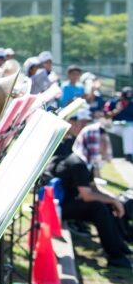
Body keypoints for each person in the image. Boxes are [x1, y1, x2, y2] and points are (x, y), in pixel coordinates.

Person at [49, 111, 131, 269]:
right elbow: (87, 195)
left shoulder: (87, 162)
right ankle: (115, 256)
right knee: (98, 207)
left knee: (107, 204)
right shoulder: (77, 162)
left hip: (70, 200)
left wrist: (113, 199)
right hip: (58, 205)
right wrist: (113, 200)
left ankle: (119, 247)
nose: (105, 144)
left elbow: (93, 188)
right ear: (92, 139)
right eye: (102, 141)